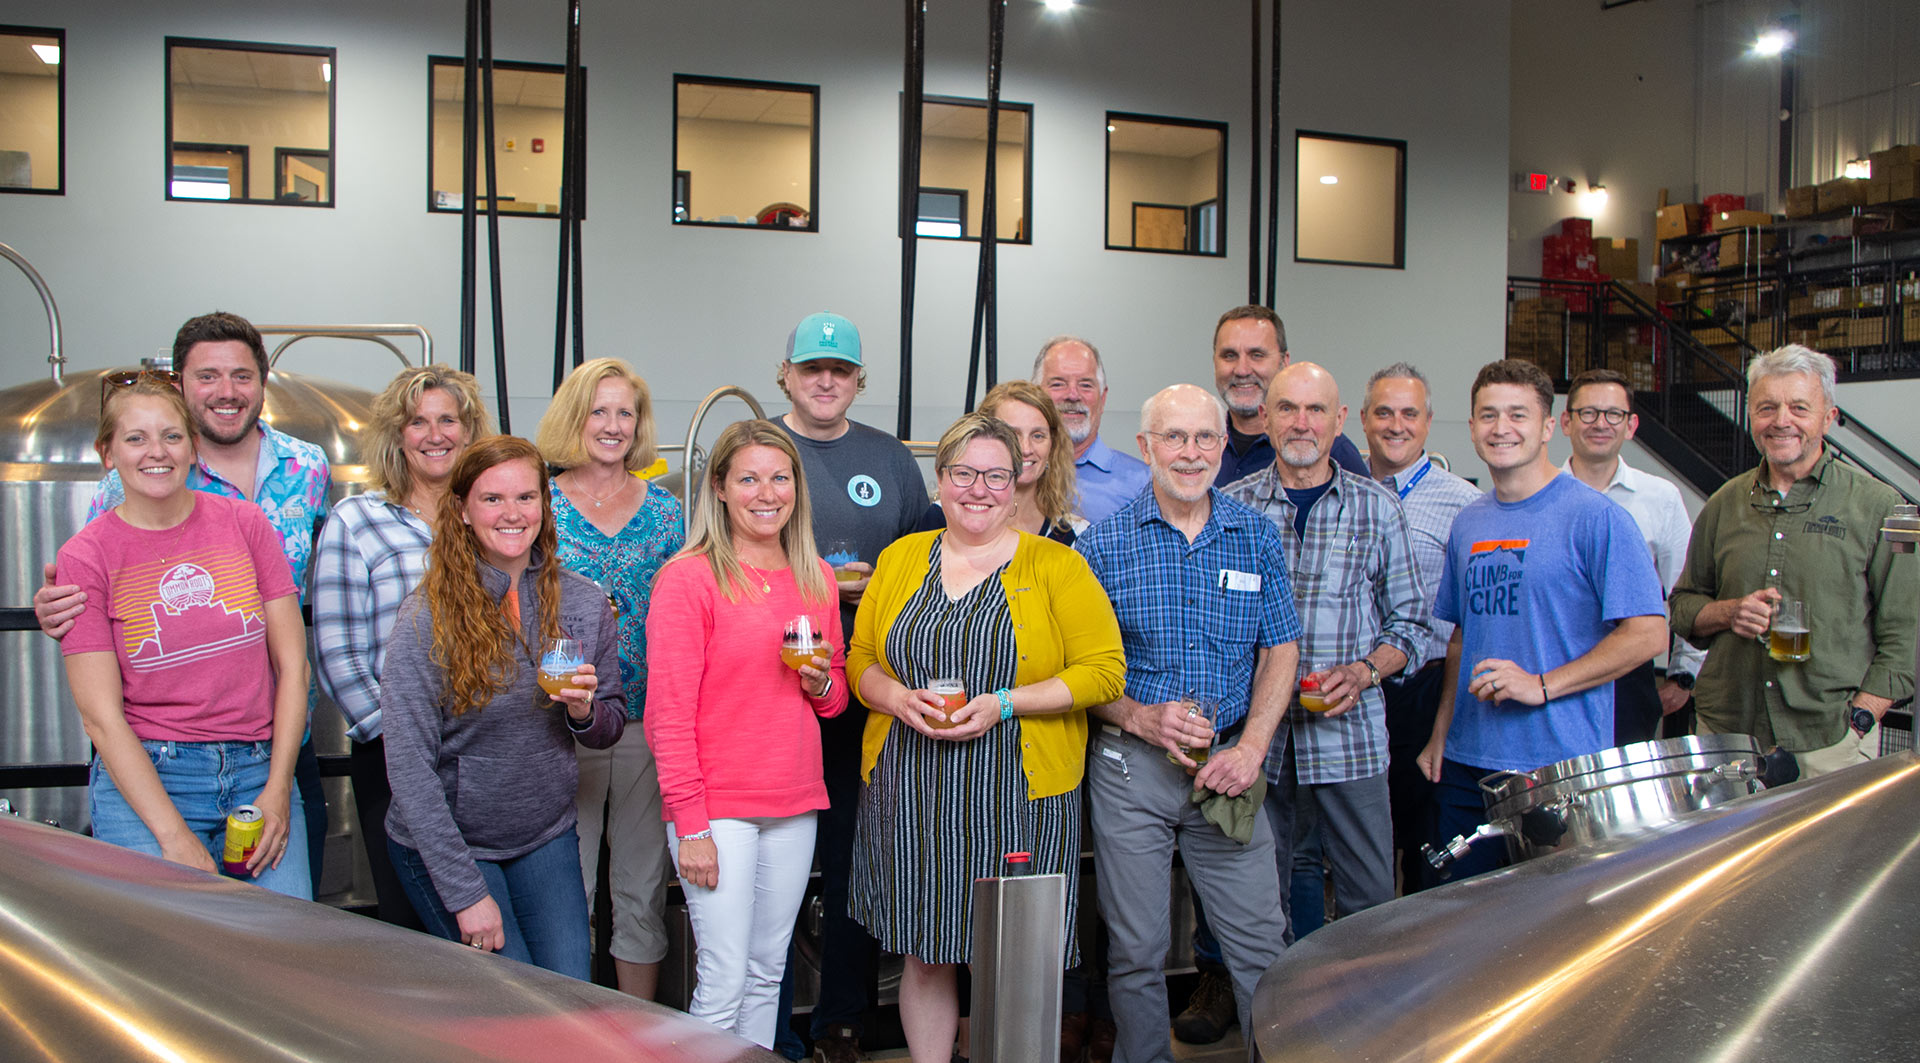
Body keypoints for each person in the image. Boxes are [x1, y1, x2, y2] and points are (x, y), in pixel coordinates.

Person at [849, 413, 1124, 1063]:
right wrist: (897, 698)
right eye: (964, 473)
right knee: (924, 951)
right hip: (911, 785)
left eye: (996, 474)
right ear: (939, 481)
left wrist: (1006, 702)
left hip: (1017, 792)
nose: (979, 489)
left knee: (1011, 962)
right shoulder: (899, 558)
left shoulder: (1056, 566)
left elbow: (1105, 669)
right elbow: (860, 658)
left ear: (1018, 479)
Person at [35, 311, 332, 894]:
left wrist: (277, 788)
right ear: (108, 453)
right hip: (155, 769)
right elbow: (98, 702)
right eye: (136, 438)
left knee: (286, 949)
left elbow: (291, 659)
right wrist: (172, 835)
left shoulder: (291, 483)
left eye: (170, 437)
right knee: (167, 962)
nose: (157, 452)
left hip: (265, 754)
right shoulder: (92, 541)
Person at [1076, 384, 1300, 1063]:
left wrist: (1254, 745)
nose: (1191, 451)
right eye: (1174, 437)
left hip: (1227, 766)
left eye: (1205, 437)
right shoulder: (1104, 546)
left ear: (1223, 445)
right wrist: (1139, 715)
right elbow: (1080, 670)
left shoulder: (1255, 534)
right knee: (1137, 949)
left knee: (1262, 943)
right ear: (1146, 447)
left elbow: (1282, 646)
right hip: (1129, 769)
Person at [379, 435, 625, 974]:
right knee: (507, 997)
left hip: (543, 833)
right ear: (463, 510)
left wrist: (583, 713)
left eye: (526, 498)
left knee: (569, 988)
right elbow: (409, 767)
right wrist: (466, 894)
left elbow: (610, 724)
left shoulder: (582, 600)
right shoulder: (426, 617)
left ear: (545, 504)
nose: (512, 514)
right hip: (452, 844)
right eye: (492, 499)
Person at [1417, 360, 1667, 882]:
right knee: (1460, 922)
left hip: (1559, 767)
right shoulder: (1469, 521)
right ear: (1471, 428)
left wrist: (1542, 685)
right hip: (1468, 764)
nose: (1501, 428)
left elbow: (1648, 633)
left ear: (1549, 426)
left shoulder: (1595, 517)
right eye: (1488, 415)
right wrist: (1442, 730)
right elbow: (1463, 635)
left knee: (1555, 932)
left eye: (1517, 414)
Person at [646, 419, 850, 1049]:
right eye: (750, 478)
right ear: (721, 489)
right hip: (718, 809)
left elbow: (837, 697)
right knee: (725, 975)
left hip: (793, 800)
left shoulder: (813, 573)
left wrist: (819, 685)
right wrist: (692, 826)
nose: (768, 493)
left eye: (780, 478)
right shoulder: (690, 579)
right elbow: (668, 715)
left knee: (768, 973)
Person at [1223, 363, 1430, 932]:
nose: (1301, 422)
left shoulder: (1377, 507)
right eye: (1286, 407)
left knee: (1370, 897)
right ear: (1264, 417)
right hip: (1257, 740)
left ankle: (1370, 1020)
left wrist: (1365, 671)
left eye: (1316, 410)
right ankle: (1276, 1016)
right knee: (1262, 899)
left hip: (1351, 737)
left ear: (1340, 420)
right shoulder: (1230, 510)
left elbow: (1412, 624)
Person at [770, 312, 923, 1062]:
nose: (826, 380)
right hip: (776, 687)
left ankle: (842, 1019)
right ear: (786, 374)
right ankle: (761, 1028)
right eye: (812, 368)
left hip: (867, 683)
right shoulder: (761, 450)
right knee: (774, 853)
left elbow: (925, 557)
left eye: (840, 369)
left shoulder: (889, 459)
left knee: (856, 851)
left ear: (860, 380)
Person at [1670, 345, 1917, 778]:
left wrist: (1861, 719)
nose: (1781, 420)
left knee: (1830, 851)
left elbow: (1907, 634)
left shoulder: (1888, 508)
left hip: (1828, 743)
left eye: (1799, 407)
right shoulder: (1724, 502)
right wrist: (1729, 612)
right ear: (1751, 417)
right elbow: (1683, 606)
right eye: (1767, 407)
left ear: (1829, 417)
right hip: (1726, 737)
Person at [311, 364, 493, 927]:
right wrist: (404, 744)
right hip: (392, 756)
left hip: (487, 753)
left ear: (470, 433)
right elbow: (337, 652)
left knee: (488, 922)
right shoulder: (358, 520)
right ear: (397, 435)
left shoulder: (495, 517)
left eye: (449, 420)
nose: (435, 434)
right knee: (414, 924)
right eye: (419, 422)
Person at [536, 357, 685, 999]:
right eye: (599, 410)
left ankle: (637, 1032)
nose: (614, 424)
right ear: (575, 417)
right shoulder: (535, 502)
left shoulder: (667, 511)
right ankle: (563, 1030)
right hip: (560, 721)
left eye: (626, 412)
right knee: (568, 886)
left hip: (648, 721)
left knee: (641, 886)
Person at [1359, 362, 1481, 895]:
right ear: (1362, 419)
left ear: (1429, 422)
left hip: (1427, 691)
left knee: (1426, 844)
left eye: (1410, 413)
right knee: (1359, 841)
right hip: (1356, 693)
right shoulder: (1341, 493)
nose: (1396, 424)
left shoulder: (1465, 505)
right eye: (1383, 412)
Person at [1559, 368, 1706, 745]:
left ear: (1631, 425)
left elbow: (1686, 591)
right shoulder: (1541, 496)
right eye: (1587, 413)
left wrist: (1683, 675)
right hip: (1552, 671)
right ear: (1565, 422)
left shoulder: (1660, 497)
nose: (1600, 424)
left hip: (1630, 680)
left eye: (1613, 414)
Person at [1209, 305, 1366, 485]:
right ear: (1215, 362)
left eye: (1257, 355)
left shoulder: (1334, 451)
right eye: (1229, 356)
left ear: (1284, 362)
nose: (1242, 370)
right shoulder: (1199, 444)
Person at [917, 379, 1080, 545]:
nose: (1025, 449)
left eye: (1038, 435)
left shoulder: (1070, 532)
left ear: (1052, 443)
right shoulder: (944, 515)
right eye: (1012, 434)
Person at [1034, 335, 1149, 527]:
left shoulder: (1143, 484)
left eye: (1085, 385)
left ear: (1103, 399)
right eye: (1058, 384)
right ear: (1035, 394)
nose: (1072, 395)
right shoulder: (1009, 476)